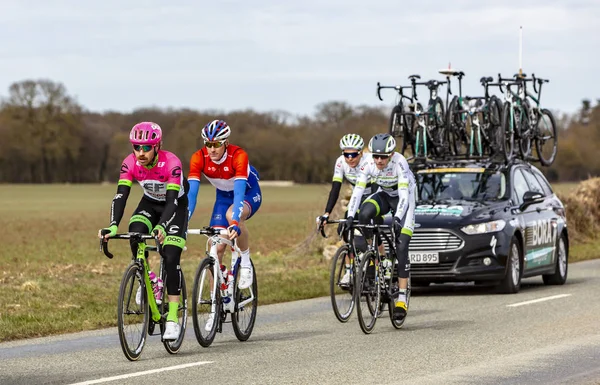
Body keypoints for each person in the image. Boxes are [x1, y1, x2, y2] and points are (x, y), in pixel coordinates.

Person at [99, 122, 189, 340]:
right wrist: (112, 226)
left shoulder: (172, 163)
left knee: (170, 255)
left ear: (157, 146)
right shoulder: (129, 163)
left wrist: (162, 226)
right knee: (135, 232)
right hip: (149, 204)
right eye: (136, 147)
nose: (140, 153)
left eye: (146, 148)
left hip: (174, 207)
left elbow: (171, 202)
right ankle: (149, 278)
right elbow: (121, 196)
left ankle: (173, 319)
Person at [187, 119, 261, 330]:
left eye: (216, 144)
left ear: (226, 142)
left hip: (247, 194)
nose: (211, 149)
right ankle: (215, 305)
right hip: (222, 197)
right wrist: (183, 221)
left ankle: (244, 261)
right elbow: (192, 195)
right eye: (207, 144)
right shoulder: (198, 158)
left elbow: (238, 194)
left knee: (231, 215)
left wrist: (236, 221)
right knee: (214, 247)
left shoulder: (239, 156)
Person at [343, 133, 416, 321]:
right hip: (384, 195)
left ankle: (401, 298)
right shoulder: (368, 164)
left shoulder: (400, 163)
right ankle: (374, 250)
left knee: (401, 246)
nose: (379, 160)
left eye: (383, 157)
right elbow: (357, 192)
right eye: (376, 156)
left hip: (404, 198)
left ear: (391, 155)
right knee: (364, 214)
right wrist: (351, 216)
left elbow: (404, 196)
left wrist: (398, 218)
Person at [316, 133, 373, 284]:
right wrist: (326, 213)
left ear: (361, 153)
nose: (350, 158)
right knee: (345, 229)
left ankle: (374, 257)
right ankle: (349, 271)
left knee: (366, 220)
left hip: (374, 194)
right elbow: (335, 189)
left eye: (353, 154)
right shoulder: (340, 162)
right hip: (357, 196)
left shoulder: (369, 161)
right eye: (346, 154)